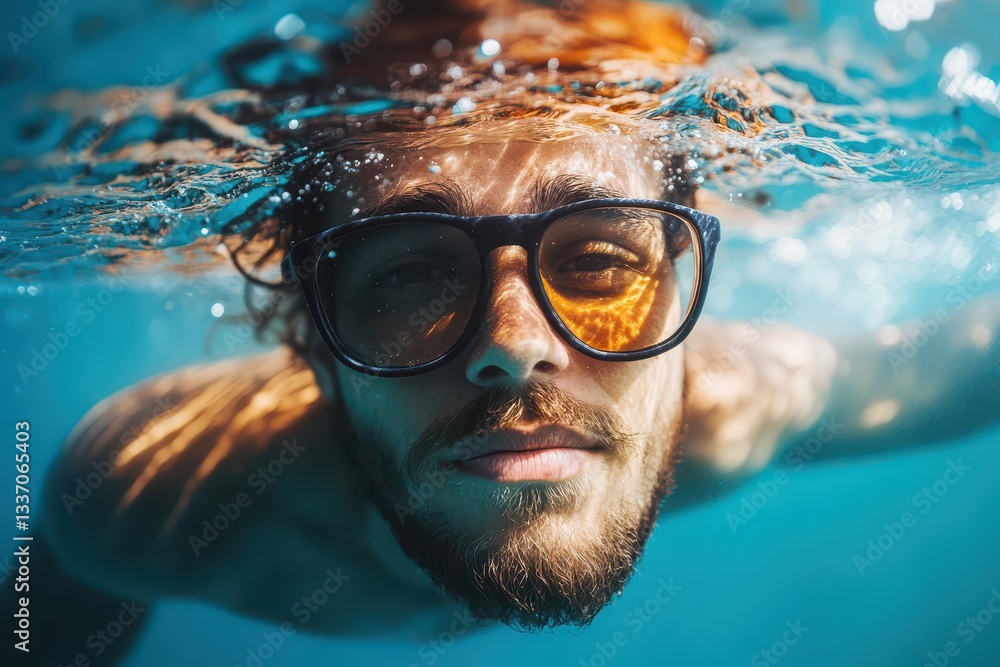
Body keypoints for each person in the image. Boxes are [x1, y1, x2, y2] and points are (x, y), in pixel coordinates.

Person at [40, 0, 999, 645]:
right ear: (306, 329)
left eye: (595, 261)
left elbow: (967, 368)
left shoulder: (737, 410)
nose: (516, 345)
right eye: (413, 274)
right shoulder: (143, 496)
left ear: (681, 275)